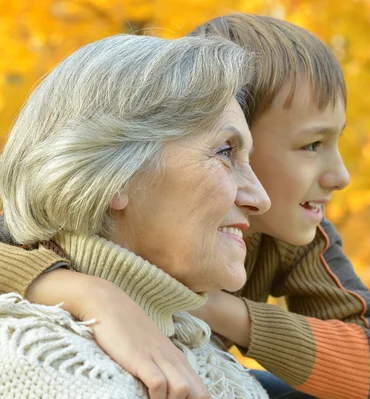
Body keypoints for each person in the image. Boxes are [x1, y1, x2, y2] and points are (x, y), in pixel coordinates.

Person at [0, 14, 370, 399]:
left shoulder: (295, 233)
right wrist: (90, 293)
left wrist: (203, 306)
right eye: (311, 145)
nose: (341, 176)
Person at [0, 33, 271, 399]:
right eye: (225, 151)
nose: (261, 198)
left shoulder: (217, 365)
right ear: (115, 176)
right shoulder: (45, 366)